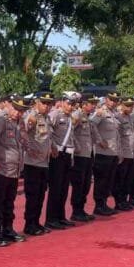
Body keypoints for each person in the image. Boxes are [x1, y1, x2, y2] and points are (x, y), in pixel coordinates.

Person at [0, 95, 28, 243]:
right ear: (9, 105)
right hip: (1, 169)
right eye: (16, 109)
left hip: (14, 169)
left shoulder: (19, 122)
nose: (18, 113)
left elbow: (22, 142)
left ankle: (8, 228)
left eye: (22, 111)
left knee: (9, 201)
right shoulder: (0, 120)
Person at [21, 91, 54, 235]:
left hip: (44, 162)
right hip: (32, 163)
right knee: (33, 196)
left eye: (49, 104)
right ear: (37, 103)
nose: (47, 106)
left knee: (41, 194)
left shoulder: (46, 118)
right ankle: (29, 224)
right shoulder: (32, 116)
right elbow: (22, 133)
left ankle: (36, 222)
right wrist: (28, 148)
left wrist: (52, 147)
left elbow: (47, 137)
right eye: (44, 103)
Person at [45, 93, 77, 229]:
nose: (70, 107)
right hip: (57, 155)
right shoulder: (55, 115)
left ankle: (60, 216)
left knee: (64, 188)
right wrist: (52, 146)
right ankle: (51, 219)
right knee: (56, 188)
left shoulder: (70, 118)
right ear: (63, 102)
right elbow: (48, 132)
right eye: (68, 103)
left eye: (73, 104)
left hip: (67, 154)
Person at [90, 92, 121, 216]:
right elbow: (91, 124)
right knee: (101, 180)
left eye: (115, 100)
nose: (113, 102)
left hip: (113, 152)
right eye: (111, 99)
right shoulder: (101, 112)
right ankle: (99, 205)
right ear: (107, 100)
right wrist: (99, 140)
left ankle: (104, 203)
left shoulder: (114, 114)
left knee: (109, 180)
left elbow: (117, 134)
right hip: (103, 152)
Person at [69, 95, 96, 222]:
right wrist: (77, 146)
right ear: (84, 104)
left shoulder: (87, 117)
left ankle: (81, 209)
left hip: (88, 154)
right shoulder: (77, 115)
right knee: (79, 184)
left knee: (85, 184)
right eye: (91, 103)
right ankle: (76, 210)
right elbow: (70, 132)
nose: (94, 105)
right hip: (80, 155)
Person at [113, 97, 134, 211]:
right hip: (123, 152)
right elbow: (117, 137)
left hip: (131, 152)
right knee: (121, 179)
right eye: (127, 105)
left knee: (129, 179)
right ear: (121, 105)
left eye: (131, 105)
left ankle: (125, 200)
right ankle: (119, 201)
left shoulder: (130, 117)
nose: (130, 107)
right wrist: (119, 152)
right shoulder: (118, 117)